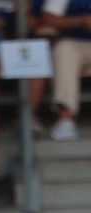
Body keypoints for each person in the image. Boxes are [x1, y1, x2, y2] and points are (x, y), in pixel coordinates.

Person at [43, 0, 91, 140]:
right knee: (64, 49)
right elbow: (48, 18)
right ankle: (66, 121)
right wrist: (80, 21)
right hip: (80, 44)